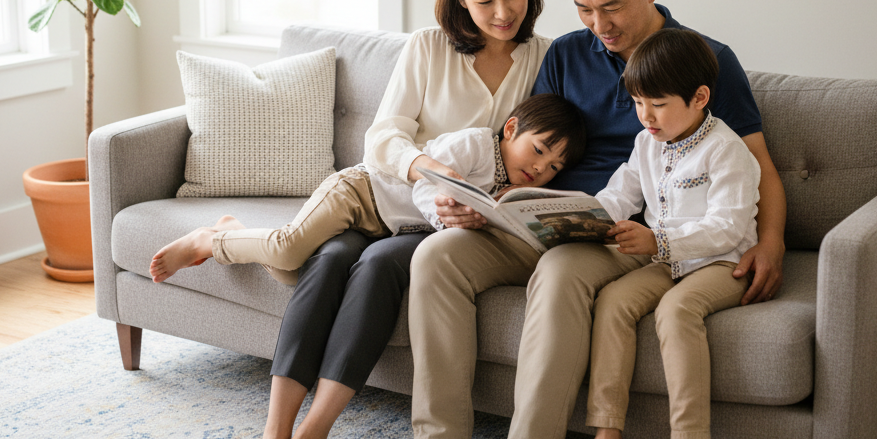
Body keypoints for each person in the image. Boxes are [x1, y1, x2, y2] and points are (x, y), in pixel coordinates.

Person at [378, 0, 786, 439]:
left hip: (636, 234)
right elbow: (528, 142)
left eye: (613, 7)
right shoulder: (568, 54)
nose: (601, 25)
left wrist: (773, 242)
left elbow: (757, 165)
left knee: (563, 270)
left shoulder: (704, 60)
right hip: (552, 214)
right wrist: (491, 203)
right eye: (585, 8)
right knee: (437, 257)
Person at [153, 0, 553, 439]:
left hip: (431, 230)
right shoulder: (427, 46)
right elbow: (383, 136)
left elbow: (543, 156)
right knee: (321, 262)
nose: (502, 12)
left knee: (374, 270)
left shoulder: (546, 59)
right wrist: (425, 170)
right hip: (380, 196)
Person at [569, 28, 760, 439]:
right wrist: (584, 219)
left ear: (699, 98)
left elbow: (729, 227)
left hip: (721, 262)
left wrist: (657, 239)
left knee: (676, 311)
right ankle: (609, 433)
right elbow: (620, 193)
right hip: (667, 257)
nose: (645, 117)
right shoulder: (647, 143)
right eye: (637, 103)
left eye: (657, 104)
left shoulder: (726, 149)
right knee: (613, 301)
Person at [149, 93, 586, 286]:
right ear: (511, 129)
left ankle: (234, 228)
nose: (540, 167)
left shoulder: (507, 189)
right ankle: (211, 238)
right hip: (359, 192)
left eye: (554, 167)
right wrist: (446, 219)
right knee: (285, 250)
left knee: (290, 274)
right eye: (539, 149)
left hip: (382, 227)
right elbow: (422, 188)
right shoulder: (475, 144)